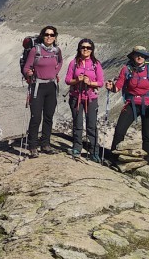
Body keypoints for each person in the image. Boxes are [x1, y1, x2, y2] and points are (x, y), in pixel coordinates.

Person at [106, 46, 149, 164]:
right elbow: (119, 86)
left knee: (147, 135)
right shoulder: (126, 69)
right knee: (120, 130)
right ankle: (113, 157)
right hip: (131, 104)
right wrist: (112, 88)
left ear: (145, 57)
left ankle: (147, 160)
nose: (139, 57)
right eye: (137, 54)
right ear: (133, 56)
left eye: (142, 55)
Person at [22, 25, 63, 157]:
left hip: (51, 86)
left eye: (52, 35)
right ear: (42, 36)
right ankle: (33, 146)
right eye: (47, 34)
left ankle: (45, 144)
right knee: (36, 117)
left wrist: (54, 72)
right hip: (37, 87)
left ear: (55, 37)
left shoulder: (57, 51)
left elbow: (60, 63)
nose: (49, 37)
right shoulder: (35, 50)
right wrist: (28, 73)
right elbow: (26, 67)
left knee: (48, 117)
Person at [65, 38, 105, 161]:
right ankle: (77, 147)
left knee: (91, 125)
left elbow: (101, 82)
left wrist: (90, 82)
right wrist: (77, 80)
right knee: (77, 123)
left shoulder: (96, 64)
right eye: (83, 47)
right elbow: (67, 80)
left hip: (91, 98)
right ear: (79, 49)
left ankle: (94, 151)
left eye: (88, 48)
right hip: (76, 97)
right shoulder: (74, 63)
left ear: (92, 50)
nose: (85, 50)